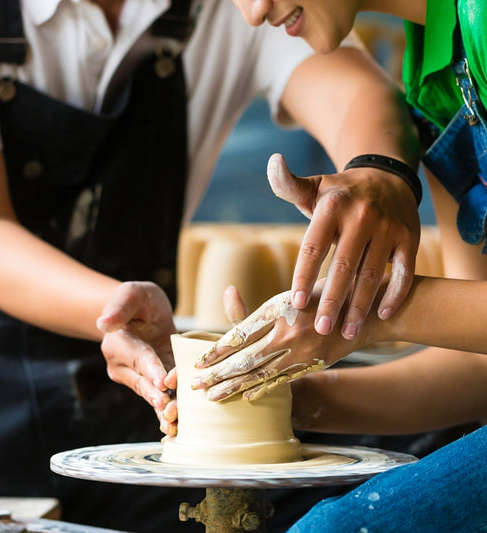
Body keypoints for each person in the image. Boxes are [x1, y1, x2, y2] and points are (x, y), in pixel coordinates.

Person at [0, 0, 424, 532]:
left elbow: (358, 92)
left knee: (410, 474)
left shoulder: (237, 4)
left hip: (156, 408)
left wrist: (378, 173)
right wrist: (113, 308)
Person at [187, 0, 487, 530]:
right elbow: (478, 367)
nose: (253, 13)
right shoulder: (433, 70)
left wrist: (374, 314)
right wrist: (278, 397)